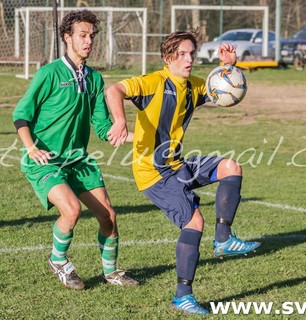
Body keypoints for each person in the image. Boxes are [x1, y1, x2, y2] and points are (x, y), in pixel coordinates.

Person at [105, 28, 260, 315]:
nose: (189, 59)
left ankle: (224, 239)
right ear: (168, 58)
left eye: (192, 54)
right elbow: (113, 89)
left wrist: (229, 67)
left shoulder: (192, 86)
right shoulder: (154, 82)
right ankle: (182, 296)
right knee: (194, 222)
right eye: (182, 54)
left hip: (178, 165)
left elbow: (222, 92)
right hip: (154, 172)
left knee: (230, 166)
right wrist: (119, 120)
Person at [12, 9, 138, 290]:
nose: (88, 41)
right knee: (71, 210)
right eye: (82, 35)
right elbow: (21, 116)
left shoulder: (94, 79)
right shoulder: (49, 73)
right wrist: (31, 148)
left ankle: (111, 271)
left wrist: (143, 136)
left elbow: (105, 129)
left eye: (91, 36)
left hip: (78, 160)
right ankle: (58, 260)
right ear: (67, 37)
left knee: (108, 216)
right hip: (45, 159)